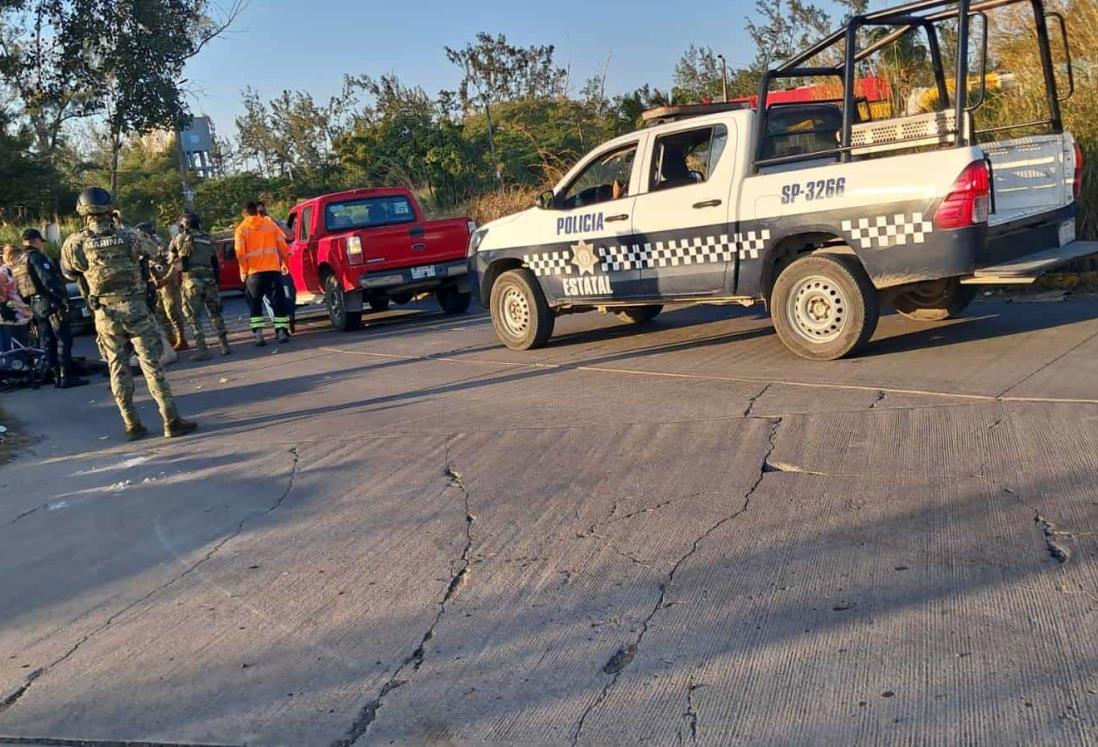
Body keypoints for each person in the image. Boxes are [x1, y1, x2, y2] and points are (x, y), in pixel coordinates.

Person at [61, 187, 197, 440]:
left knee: (117, 368)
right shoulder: (129, 235)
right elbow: (155, 252)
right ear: (109, 207)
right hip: (137, 310)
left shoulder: (75, 243)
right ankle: (171, 420)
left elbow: (70, 272)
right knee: (151, 365)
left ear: (82, 211)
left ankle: (132, 424)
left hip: (105, 314)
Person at [10, 229, 88, 388]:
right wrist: (61, 299)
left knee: (47, 340)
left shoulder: (19, 260)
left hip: (35, 305)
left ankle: (54, 376)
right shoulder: (36, 257)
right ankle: (65, 375)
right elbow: (48, 280)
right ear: (36, 240)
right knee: (63, 338)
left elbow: (19, 287)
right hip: (49, 303)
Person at [169, 211, 230, 358]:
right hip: (209, 280)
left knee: (193, 317)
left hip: (191, 281)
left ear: (183, 225)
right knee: (215, 313)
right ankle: (224, 344)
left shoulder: (179, 238)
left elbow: (172, 260)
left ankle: (202, 350)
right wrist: (216, 282)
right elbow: (216, 263)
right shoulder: (209, 239)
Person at [234, 201, 291, 346]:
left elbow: (240, 253)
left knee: (255, 303)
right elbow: (283, 247)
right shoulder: (270, 225)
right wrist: (284, 263)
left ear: (243, 213)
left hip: (254, 274)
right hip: (273, 271)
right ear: (256, 211)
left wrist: (243, 271)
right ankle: (281, 332)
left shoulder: (241, 230)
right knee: (278, 302)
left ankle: (259, 335)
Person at [138, 223, 188, 352]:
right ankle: (171, 340)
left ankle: (181, 339)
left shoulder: (162, 246)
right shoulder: (143, 248)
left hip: (168, 284)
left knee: (172, 312)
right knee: (161, 314)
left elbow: (174, 264)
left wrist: (165, 279)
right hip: (155, 284)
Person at [256, 201, 297, 333]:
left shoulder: (275, 224)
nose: (262, 215)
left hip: (280, 267)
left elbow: (290, 236)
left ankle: (289, 317)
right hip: (261, 269)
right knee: (268, 298)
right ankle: (280, 327)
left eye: (263, 212)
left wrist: (276, 223)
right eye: (259, 213)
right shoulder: (251, 229)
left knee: (289, 294)